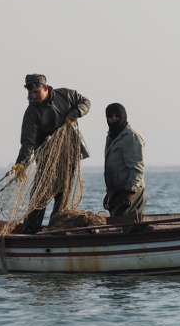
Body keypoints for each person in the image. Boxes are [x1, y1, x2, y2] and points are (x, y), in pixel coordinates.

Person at [11, 73, 91, 234]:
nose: (33, 96)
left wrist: (76, 112)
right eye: (30, 93)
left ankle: (56, 228)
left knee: (63, 192)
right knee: (40, 194)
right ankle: (31, 229)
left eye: (36, 92)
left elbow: (86, 102)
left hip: (69, 153)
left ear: (45, 88)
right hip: (46, 158)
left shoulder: (66, 95)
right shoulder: (31, 112)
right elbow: (28, 141)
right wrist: (21, 162)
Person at [103, 103, 147, 231]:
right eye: (110, 116)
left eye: (117, 116)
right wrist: (109, 193)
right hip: (116, 193)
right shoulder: (110, 137)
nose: (114, 118)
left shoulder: (131, 137)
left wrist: (129, 194)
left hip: (131, 192)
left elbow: (137, 169)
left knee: (122, 226)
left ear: (124, 116)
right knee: (118, 226)